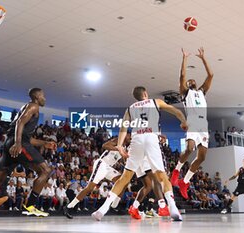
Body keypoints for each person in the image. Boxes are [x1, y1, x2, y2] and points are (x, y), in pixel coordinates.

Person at [91, 86, 188, 221]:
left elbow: (123, 128)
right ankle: (172, 207)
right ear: (145, 94)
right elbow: (175, 111)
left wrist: (119, 146)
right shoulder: (156, 102)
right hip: (150, 137)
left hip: (136, 140)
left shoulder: (130, 108)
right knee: (161, 175)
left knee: (125, 177)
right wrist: (183, 121)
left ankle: (102, 209)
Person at [0, 88, 56, 222]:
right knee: (46, 170)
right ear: (36, 97)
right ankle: (30, 206)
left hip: (11, 143)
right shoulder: (33, 106)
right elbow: (20, 123)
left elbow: (27, 137)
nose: (45, 98)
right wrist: (18, 144)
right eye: (43, 95)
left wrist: (44, 143)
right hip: (18, 144)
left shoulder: (28, 107)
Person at [171, 47, 214, 200]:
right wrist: (185, 58)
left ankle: (185, 181)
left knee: (202, 157)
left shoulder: (202, 91)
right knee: (189, 149)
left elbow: (211, 75)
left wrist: (203, 58)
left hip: (204, 124)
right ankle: (176, 171)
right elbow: (182, 75)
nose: (191, 81)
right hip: (193, 122)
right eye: (189, 81)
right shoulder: (185, 93)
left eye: (192, 80)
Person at [64, 136, 130, 219]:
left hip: (108, 167)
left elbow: (123, 160)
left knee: (123, 181)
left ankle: (114, 205)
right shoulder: (118, 141)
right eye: (129, 136)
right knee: (89, 188)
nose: (130, 138)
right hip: (102, 164)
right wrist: (118, 149)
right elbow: (104, 145)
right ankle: (69, 207)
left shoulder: (126, 148)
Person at [128, 135, 170, 219]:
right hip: (144, 151)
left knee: (148, 185)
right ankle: (162, 206)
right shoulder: (151, 126)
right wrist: (160, 137)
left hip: (134, 151)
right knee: (155, 178)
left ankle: (134, 207)